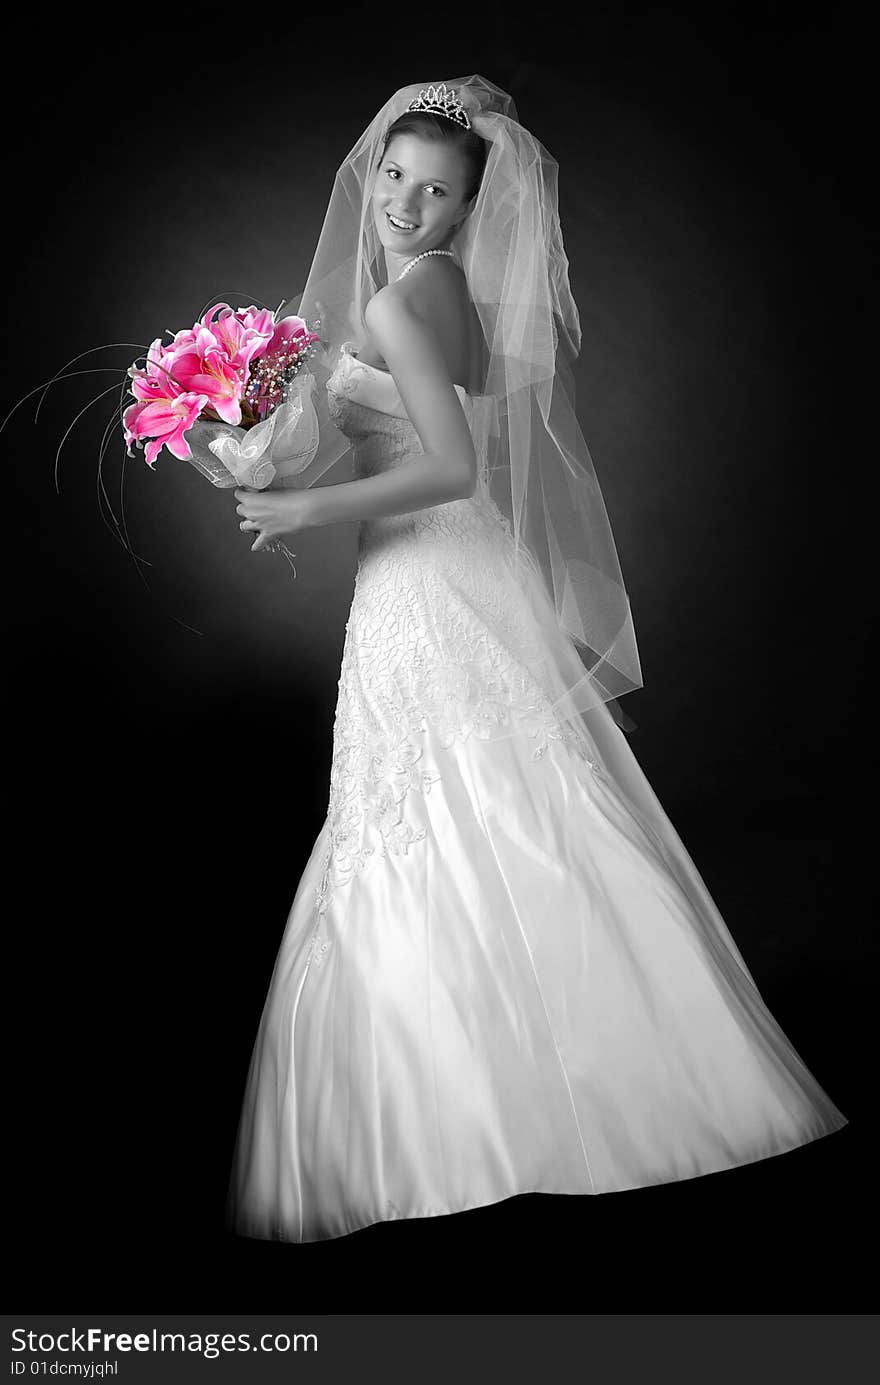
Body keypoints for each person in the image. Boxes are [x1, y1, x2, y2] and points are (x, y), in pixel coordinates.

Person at [225, 76, 847, 1244]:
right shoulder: (431, 289)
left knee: (444, 804)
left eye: (437, 192)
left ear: (469, 210)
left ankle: (480, 1113)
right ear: (375, 180)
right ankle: (568, 1076)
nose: (408, 203)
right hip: (459, 571)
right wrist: (257, 442)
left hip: (427, 571)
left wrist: (304, 513)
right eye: (396, 180)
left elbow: (450, 465)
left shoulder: (406, 301)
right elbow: (388, 432)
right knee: (494, 799)